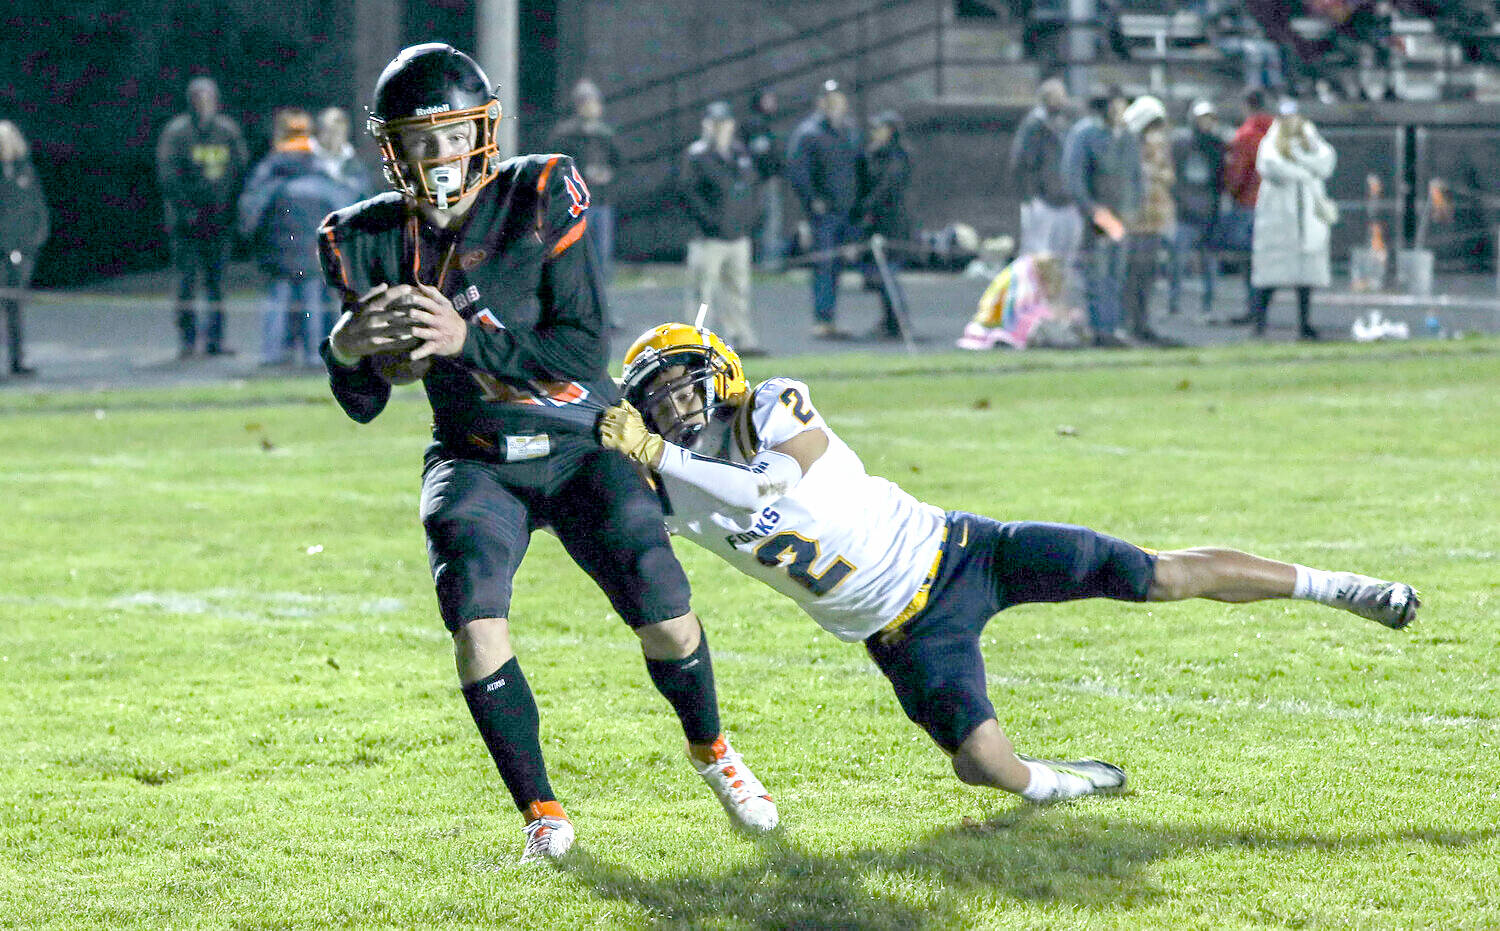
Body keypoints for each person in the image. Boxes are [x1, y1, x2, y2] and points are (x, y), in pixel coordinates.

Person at [598, 323, 1419, 805]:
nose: (675, 402)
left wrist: (659, 455)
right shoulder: (665, 486)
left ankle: (1340, 587)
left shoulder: (772, 405)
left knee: (1151, 573)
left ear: (720, 372)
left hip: (963, 550)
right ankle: (1068, 783)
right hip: (901, 631)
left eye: (683, 381)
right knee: (985, 767)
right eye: (657, 394)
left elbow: (769, 483)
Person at [315, 44, 777, 865]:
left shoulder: (537, 195)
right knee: (475, 622)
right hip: (476, 454)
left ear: (483, 133)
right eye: (415, 139)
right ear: (389, 149)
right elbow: (364, 403)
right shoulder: (366, 239)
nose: (436, 156)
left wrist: (467, 339)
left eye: (450, 133)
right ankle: (542, 812)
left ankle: (712, 748)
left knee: (665, 609)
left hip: (577, 443)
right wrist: (347, 348)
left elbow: (578, 348)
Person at [238, 108, 351, 366]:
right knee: (312, 303)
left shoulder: (270, 169)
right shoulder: (320, 167)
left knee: (277, 302)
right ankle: (315, 356)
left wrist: (249, 237)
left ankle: (272, 355)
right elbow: (343, 206)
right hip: (313, 255)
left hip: (278, 253)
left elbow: (250, 212)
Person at [156, 76, 248, 358]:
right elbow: (168, 175)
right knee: (185, 283)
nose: (203, 104)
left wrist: (229, 208)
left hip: (219, 222)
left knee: (217, 284)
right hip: (186, 223)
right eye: (198, 98)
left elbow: (239, 169)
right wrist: (187, 209)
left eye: (208, 98)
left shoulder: (227, 131)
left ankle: (216, 341)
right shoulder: (177, 133)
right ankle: (187, 341)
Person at [678, 101, 762, 355]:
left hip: (737, 235)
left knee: (738, 291)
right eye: (714, 123)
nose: (719, 129)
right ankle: (696, 341)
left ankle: (741, 337)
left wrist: (748, 220)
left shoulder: (740, 153)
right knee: (702, 292)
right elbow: (688, 194)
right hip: (708, 237)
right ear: (706, 125)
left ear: (731, 125)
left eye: (723, 123)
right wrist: (710, 222)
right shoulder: (697, 155)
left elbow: (751, 189)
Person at [1248, 100, 1337, 339]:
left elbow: (1326, 162)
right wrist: (1303, 171)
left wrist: (1301, 162)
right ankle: (1259, 325)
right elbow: (1271, 166)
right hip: (1279, 219)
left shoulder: (1312, 140)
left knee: (1306, 278)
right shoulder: (1271, 142)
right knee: (1270, 276)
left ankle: (1304, 325)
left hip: (1307, 220)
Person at [1061, 86, 1140, 347]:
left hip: (1122, 215)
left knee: (1117, 274)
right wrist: (1093, 211)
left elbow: (1136, 177)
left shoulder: (1127, 137)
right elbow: (1074, 177)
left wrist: (1133, 209)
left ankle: (1113, 327)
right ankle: (1101, 329)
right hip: (1098, 215)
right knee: (1098, 272)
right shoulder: (1086, 134)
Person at [785, 79, 862, 340]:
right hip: (825, 213)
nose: (834, 105)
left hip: (847, 210)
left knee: (838, 266)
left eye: (838, 99)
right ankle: (823, 319)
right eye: (829, 100)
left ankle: (830, 318)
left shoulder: (849, 130)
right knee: (825, 265)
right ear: (821, 103)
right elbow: (798, 172)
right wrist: (812, 201)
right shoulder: (809, 132)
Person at [546, 79, 623, 288]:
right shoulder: (566, 134)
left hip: (602, 199)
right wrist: (584, 175)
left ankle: (601, 299)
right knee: (579, 252)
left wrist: (607, 174)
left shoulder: (605, 134)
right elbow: (558, 165)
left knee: (601, 254)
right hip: (578, 202)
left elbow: (619, 162)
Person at [1119, 95, 1177, 346]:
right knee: (1128, 275)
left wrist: (1155, 175)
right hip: (1130, 221)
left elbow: (1168, 175)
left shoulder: (1157, 146)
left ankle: (1142, 322)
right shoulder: (1125, 144)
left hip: (1153, 219)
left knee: (1147, 274)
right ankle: (1126, 324)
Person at [1009, 78, 1083, 265]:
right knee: (1037, 253)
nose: (1060, 100)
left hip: (1067, 198)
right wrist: (1029, 195)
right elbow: (1022, 161)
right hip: (1041, 198)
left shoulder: (1068, 123)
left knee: (1065, 254)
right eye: (1055, 96)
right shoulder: (1035, 124)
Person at [854, 110, 913, 341]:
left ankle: (898, 320)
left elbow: (887, 188)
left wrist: (867, 206)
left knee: (888, 274)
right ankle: (889, 319)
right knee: (880, 275)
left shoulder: (898, 157)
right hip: (877, 222)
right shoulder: (875, 155)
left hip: (892, 223)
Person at [1170, 99, 1227, 322]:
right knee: (1178, 261)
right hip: (1186, 212)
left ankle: (1208, 305)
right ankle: (1174, 305)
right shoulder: (1182, 144)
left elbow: (1221, 178)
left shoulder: (1216, 145)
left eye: (1210, 118)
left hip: (1209, 213)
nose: (1206, 123)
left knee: (1209, 265)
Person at [0, 120, 48, 378]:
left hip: (23, 250)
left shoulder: (25, 170)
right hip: (1, 250)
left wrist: (38, 236)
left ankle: (17, 361)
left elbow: (37, 205)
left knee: (15, 308)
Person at [1223, 90, 1275, 323]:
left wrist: (1232, 192)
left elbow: (1237, 174)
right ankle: (1262, 310)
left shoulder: (1246, 135)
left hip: (1249, 204)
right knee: (1269, 260)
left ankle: (1254, 310)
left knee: (1249, 261)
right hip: (1275, 204)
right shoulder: (1278, 133)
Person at [312, 106, 376, 205]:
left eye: (339, 133)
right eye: (331, 131)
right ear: (320, 131)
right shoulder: (305, 159)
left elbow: (365, 198)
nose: (335, 138)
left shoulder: (356, 166)